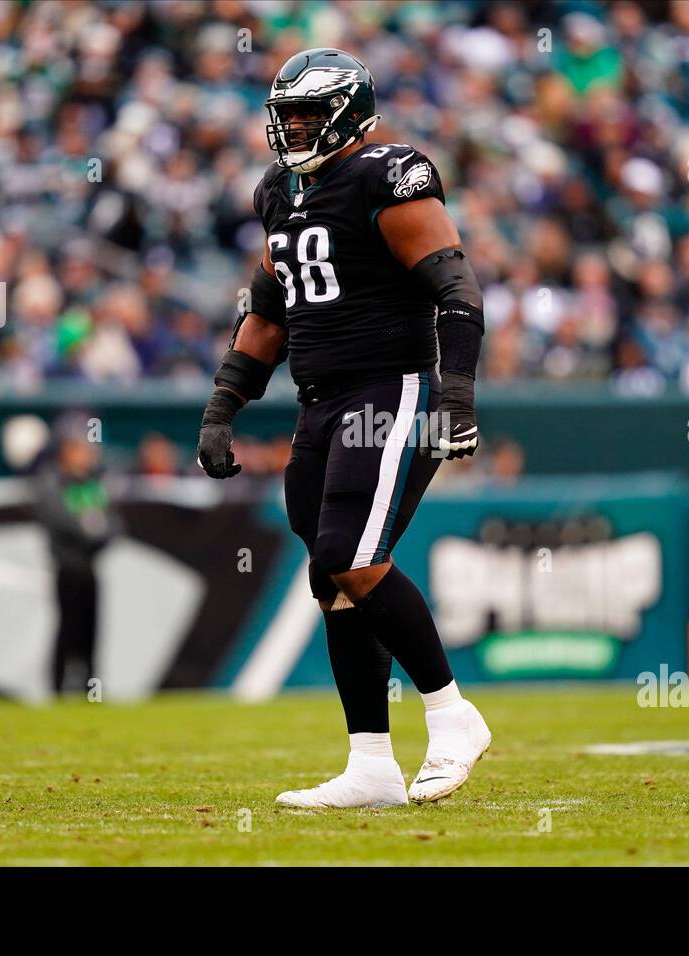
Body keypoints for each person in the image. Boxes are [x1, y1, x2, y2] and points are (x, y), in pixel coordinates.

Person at [197, 49, 491, 808]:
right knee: (331, 579)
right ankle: (371, 765)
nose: (294, 129)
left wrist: (455, 394)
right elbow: (267, 310)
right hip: (320, 401)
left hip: (390, 389)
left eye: (307, 114)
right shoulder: (279, 191)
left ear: (350, 112)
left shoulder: (387, 175)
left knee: (352, 556)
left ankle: (453, 715)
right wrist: (224, 406)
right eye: (285, 116)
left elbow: (456, 290)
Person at [32, 415, 120, 695]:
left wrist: (94, 530)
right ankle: (58, 688)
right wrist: (89, 529)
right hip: (68, 568)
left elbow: (114, 525)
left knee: (91, 631)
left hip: (90, 567)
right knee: (67, 629)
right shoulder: (54, 483)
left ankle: (89, 687)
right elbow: (59, 520)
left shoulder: (91, 485)